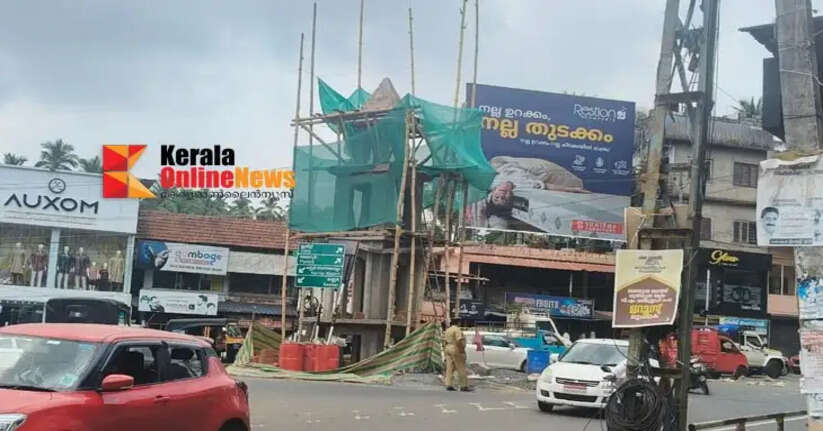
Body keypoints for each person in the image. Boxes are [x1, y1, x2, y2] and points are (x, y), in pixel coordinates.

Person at [443, 322, 472, 392]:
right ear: (458, 323)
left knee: (449, 368)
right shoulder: (457, 330)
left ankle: (448, 384)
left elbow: (444, 340)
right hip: (455, 348)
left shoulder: (448, 330)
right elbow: (459, 340)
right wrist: (461, 349)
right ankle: (464, 386)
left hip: (447, 348)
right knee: (461, 367)